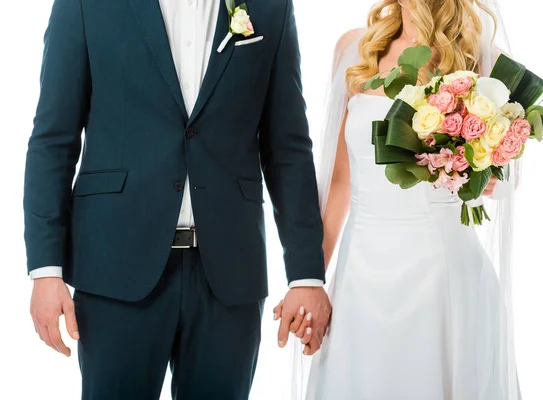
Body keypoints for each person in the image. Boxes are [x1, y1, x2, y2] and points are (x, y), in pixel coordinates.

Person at [23, 0, 331, 398]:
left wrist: (306, 275)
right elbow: (53, 139)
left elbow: (288, 148)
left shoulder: (270, 6)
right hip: (116, 269)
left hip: (229, 276)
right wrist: (46, 271)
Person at [275, 0, 521, 398]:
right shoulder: (354, 50)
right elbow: (340, 184)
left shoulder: (483, 58)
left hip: (442, 277)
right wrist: (310, 283)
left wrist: (490, 175)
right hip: (360, 278)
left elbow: (507, 173)